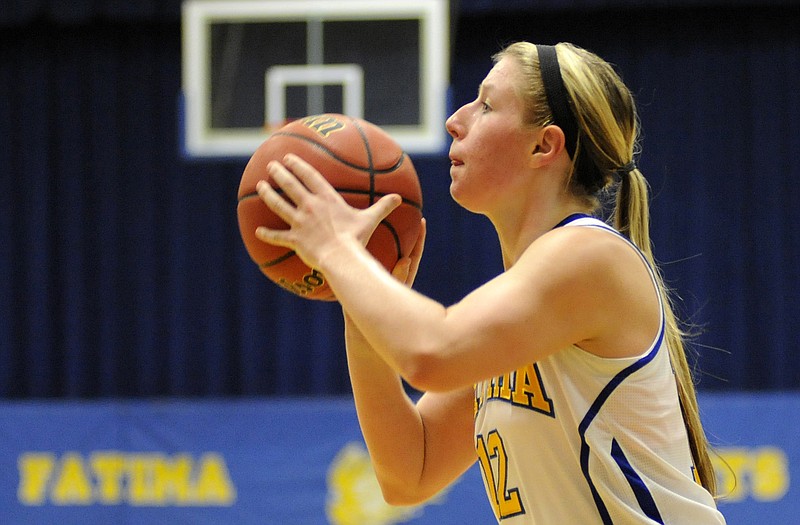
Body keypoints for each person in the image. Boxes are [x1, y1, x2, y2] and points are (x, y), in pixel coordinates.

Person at [255, 41, 725, 524]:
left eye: (485, 104)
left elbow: (430, 353)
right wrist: (359, 297)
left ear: (544, 145)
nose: (453, 120)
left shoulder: (590, 257)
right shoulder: (534, 300)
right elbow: (408, 472)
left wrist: (339, 253)